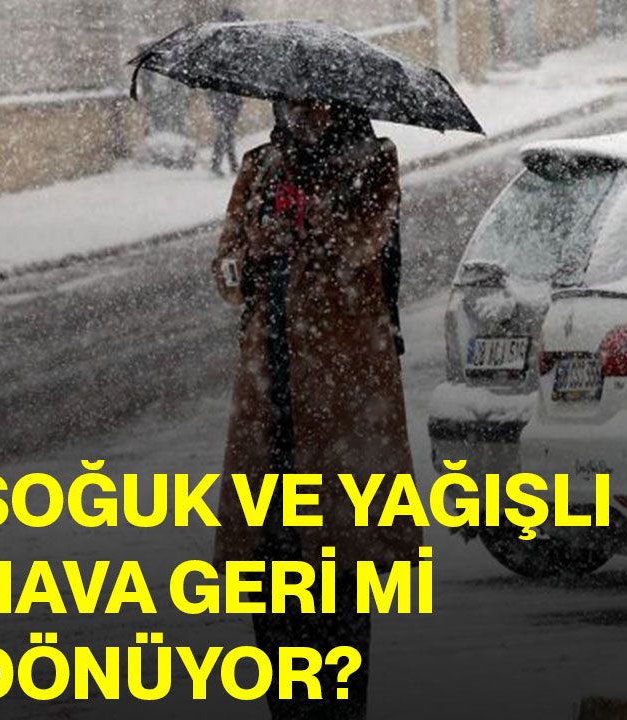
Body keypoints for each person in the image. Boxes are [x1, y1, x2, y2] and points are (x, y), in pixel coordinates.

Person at [210, 100, 418, 720]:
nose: (304, 113)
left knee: (339, 586)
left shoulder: (371, 164)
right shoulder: (260, 167)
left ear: (343, 106)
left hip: (344, 405)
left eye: (316, 103)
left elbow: (362, 245)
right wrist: (251, 253)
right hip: (270, 403)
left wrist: (304, 227)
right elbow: (225, 272)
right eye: (293, 101)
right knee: (270, 588)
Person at [208, 7, 245, 176]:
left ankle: (227, 164)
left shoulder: (227, 41)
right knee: (225, 130)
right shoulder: (223, 42)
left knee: (227, 130)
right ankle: (224, 164)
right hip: (223, 95)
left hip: (228, 96)